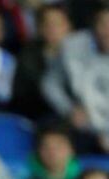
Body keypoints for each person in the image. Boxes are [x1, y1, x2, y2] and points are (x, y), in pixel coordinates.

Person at [42, 3, 109, 153]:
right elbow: (50, 84)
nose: (107, 30)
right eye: (103, 24)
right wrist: (69, 109)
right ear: (94, 26)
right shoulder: (72, 45)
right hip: (79, 123)